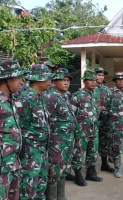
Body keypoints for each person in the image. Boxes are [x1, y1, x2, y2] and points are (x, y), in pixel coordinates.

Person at [16, 64, 54, 199]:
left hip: (42, 150)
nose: (50, 82)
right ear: (39, 80)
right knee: (28, 189)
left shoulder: (41, 97)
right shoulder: (26, 99)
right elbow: (18, 126)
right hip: (30, 152)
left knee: (41, 187)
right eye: (47, 79)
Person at [44, 68, 77, 199]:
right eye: (63, 80)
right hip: (55, 142)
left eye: (68, 80)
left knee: (64, 169)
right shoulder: (50, 97)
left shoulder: (66, 96)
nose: (66, 83)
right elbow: (46, 120)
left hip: (67, 141)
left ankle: (61, 196)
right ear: (54, 82)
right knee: (54, 172)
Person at [71, 70, 103, 186]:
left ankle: (91, 173)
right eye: (90, 80)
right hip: (81, 131)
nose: (93, 82)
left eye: (95, 80)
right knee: (78, 153)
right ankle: (78, 175)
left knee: (92, 152)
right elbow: (72, 114)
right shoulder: (77, 95)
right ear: (84, 81)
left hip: (94, 129)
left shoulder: (95, 94)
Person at [0, 60, 27, 200]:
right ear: (8, 79)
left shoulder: (11, 100)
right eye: (18, 78)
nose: (21, 82)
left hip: (13, 163)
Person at [93, 67, 114, 173]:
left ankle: (104, 164)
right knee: (92, 143)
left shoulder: (107, 90)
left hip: (105, 120)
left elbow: (111, 105)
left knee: (104, 142)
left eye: (102, 75)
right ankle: (90, 167)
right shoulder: (91, 88)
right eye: (98, 75)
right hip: (93, 121)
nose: (100, 77)